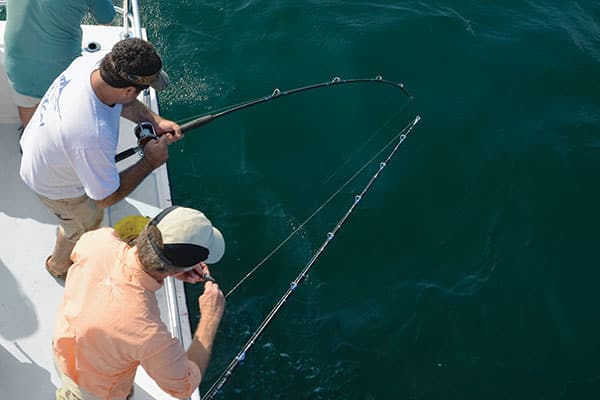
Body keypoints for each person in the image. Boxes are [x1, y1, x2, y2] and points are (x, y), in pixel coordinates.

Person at [19, 37, 183, 280]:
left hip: (37, 146)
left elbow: (120, 103)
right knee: (86, 222)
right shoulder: (92, 135)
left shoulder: (89, 65)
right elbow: (105, 198)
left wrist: (154, 121)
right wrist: (150, 161)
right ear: (129, 90)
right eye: (142, 90)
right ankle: (58, 266)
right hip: (54, 186)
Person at [53, 206, 226, 399]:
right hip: (91, 391)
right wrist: (210, 317)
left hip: (61, 349)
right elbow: (183, 386)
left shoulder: (98, 240)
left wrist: (171, 270)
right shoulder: (148, 334)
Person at [4, 0, 116, 127]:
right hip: (61, 72)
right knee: (64, 118)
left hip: (17, 64)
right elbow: (107, 19)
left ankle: (29, 140)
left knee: (27, 110)